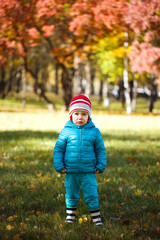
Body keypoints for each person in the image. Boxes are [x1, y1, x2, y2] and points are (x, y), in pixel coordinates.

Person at [53, 95, 107, 226]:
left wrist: (100, 164)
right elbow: (58, 149)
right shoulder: (66, 132)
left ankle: (96, 218)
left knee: (91, 194)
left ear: (89, 116)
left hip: (89, 171)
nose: (80, 117)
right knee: (71, 193)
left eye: (84, 114)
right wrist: (59, 165)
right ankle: (70, 216)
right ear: (71, 115)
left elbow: (100, 149)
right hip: (71, 170)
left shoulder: (94, 132)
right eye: (76, 113)